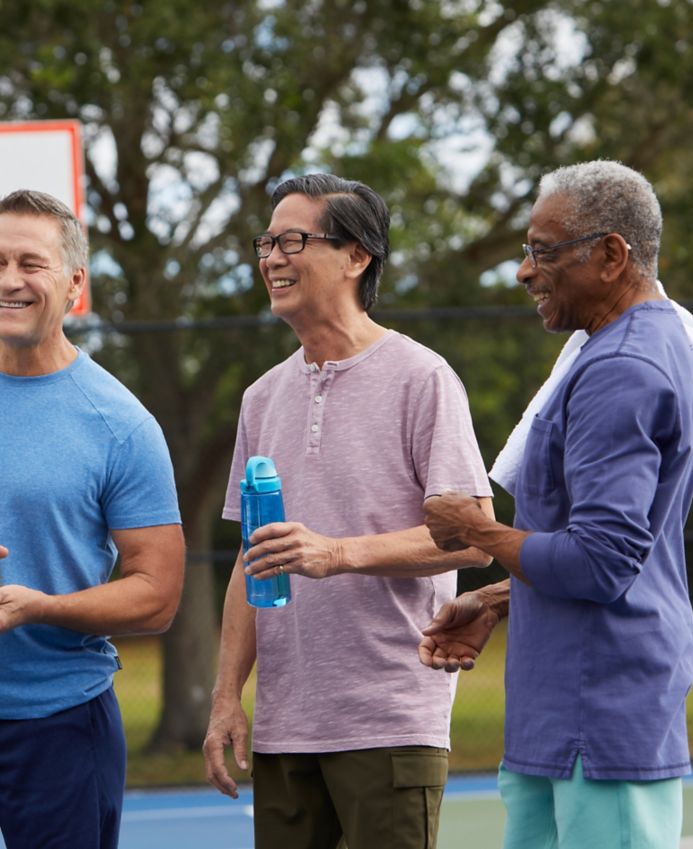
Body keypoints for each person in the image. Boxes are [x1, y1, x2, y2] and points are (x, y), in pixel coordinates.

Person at [420, 160, 693, 849]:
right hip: (563, 717)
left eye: (542, 252)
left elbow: (599, 563)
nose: (523, 272)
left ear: (610, 255)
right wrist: (496, 601)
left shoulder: (622, 365)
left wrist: (474, 528)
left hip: (599, 718)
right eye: (524, 250)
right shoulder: (615, 350)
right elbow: (607, 547)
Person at [0, 189, 186, 849]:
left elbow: (157, 596)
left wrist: (42, 605)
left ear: (74, 284)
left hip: (59, 722)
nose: (7, 280)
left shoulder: (121, 424)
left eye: (30, 263)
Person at [201, 173, 496, 849]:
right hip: (285, 727)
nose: (271, 257)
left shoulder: (422, 377)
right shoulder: (260, 397)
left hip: (389, 720)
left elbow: (474, 541)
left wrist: (337, 553)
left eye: (293, 240)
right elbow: (254, 558)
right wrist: (225, 698)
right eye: (266, 242)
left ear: (356, 256)